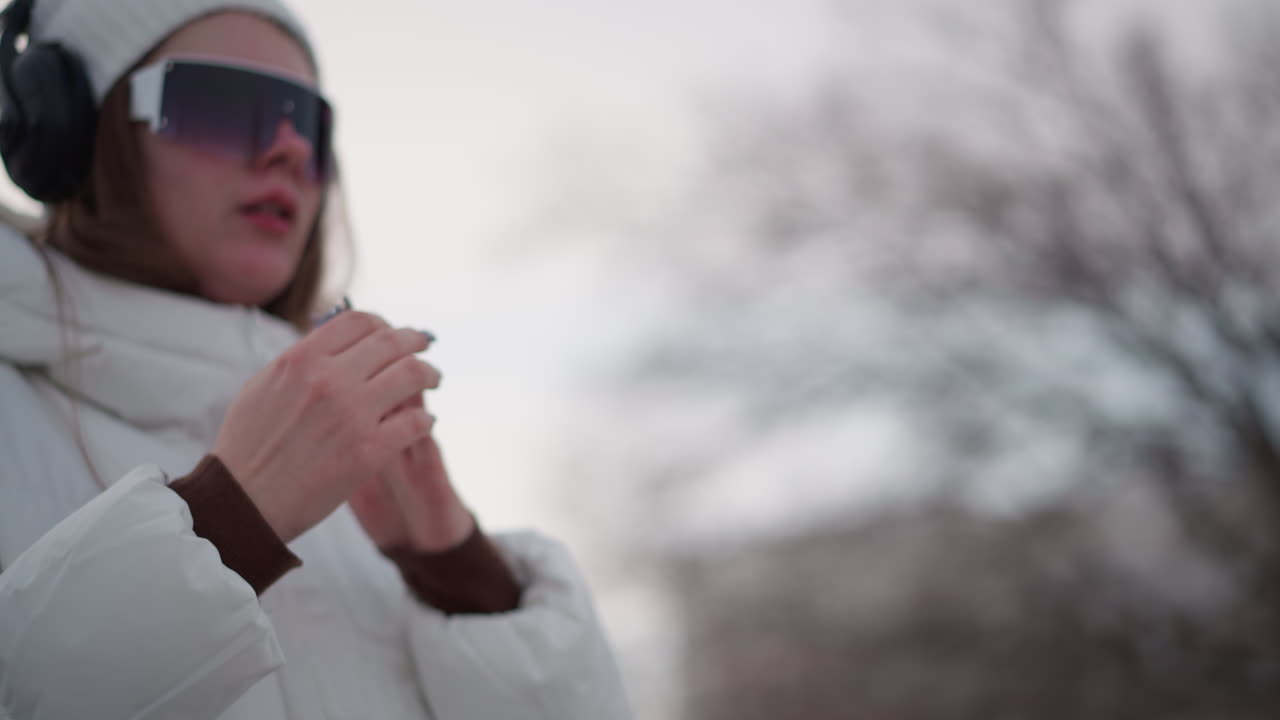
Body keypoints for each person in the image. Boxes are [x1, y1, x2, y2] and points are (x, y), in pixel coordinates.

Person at [0, 0, 633, 718]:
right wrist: (228, 522)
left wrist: (458, 571)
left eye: (309, 120)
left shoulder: (357, 469)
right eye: (220, 103)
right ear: (67, 130)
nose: (288, 149)